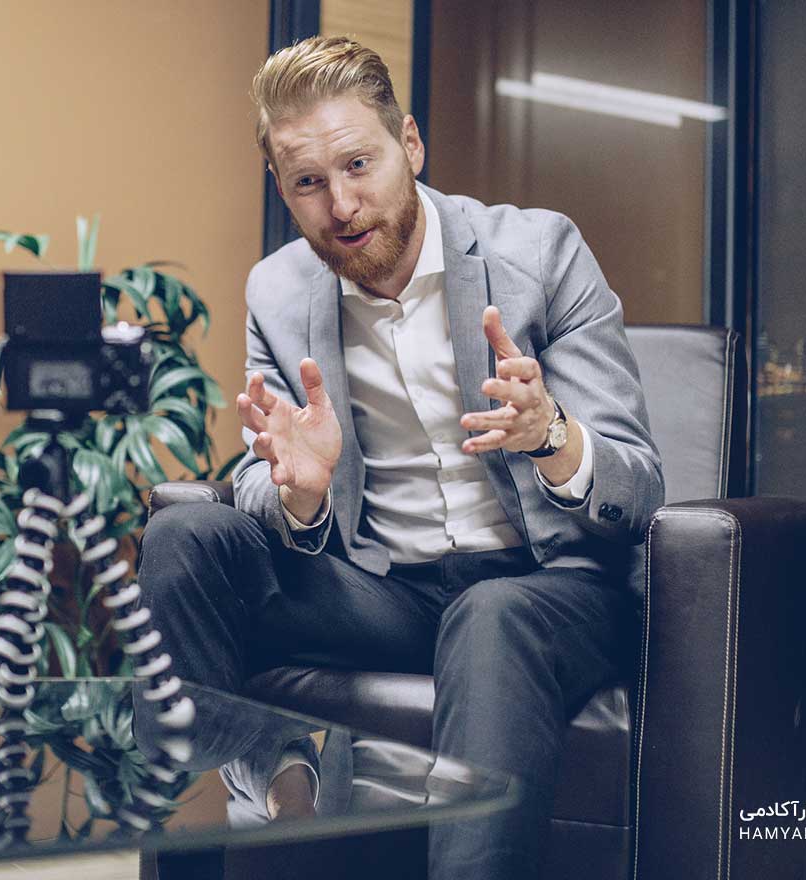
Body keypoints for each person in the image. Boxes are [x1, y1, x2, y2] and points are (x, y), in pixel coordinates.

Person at [133, 35, 663, 879]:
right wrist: (299, 496)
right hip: (387, 593)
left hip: (546, 589)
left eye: (359, 164)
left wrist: (552, 435)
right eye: (308, 182)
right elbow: (260, 475)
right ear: (281, 185)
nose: (341, 205)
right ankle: (235, 810)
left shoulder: (539, 253)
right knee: (184, 536)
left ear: (409, 145)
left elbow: (638, 487)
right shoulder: (278, 290)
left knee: (491, 615)